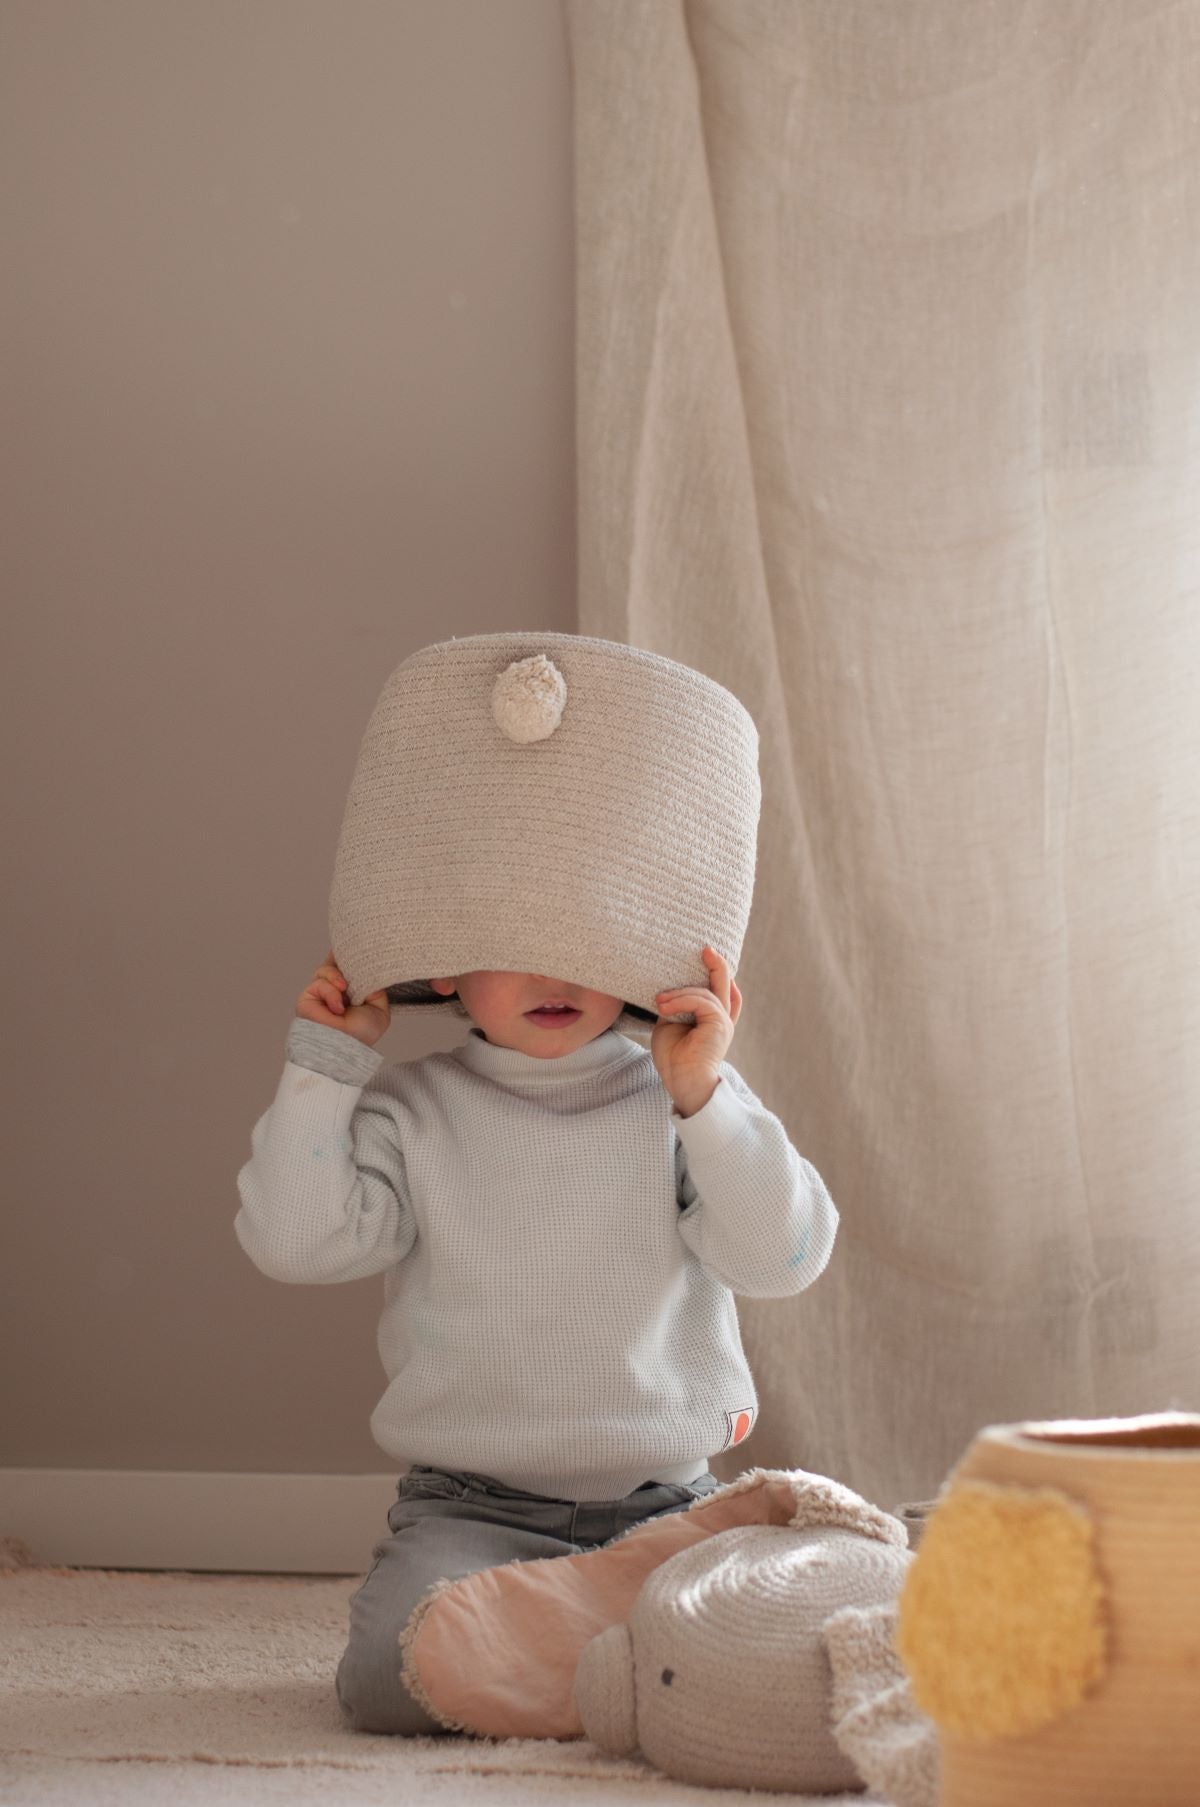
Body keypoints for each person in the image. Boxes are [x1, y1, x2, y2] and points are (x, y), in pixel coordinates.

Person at [235, 939, 839, 1736]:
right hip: (471, 1513)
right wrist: (327, 1062)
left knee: (789, 1642)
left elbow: (783, 1257)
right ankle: (626, 1655)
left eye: (587, 944)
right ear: (445, 965)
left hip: (665, 1506)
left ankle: (577, 1646)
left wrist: (705, 1095)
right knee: (389, 1675)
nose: (555, 976)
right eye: (516, 947)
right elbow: (293, 1241)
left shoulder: (684, 1098)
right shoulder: (410, 1107)